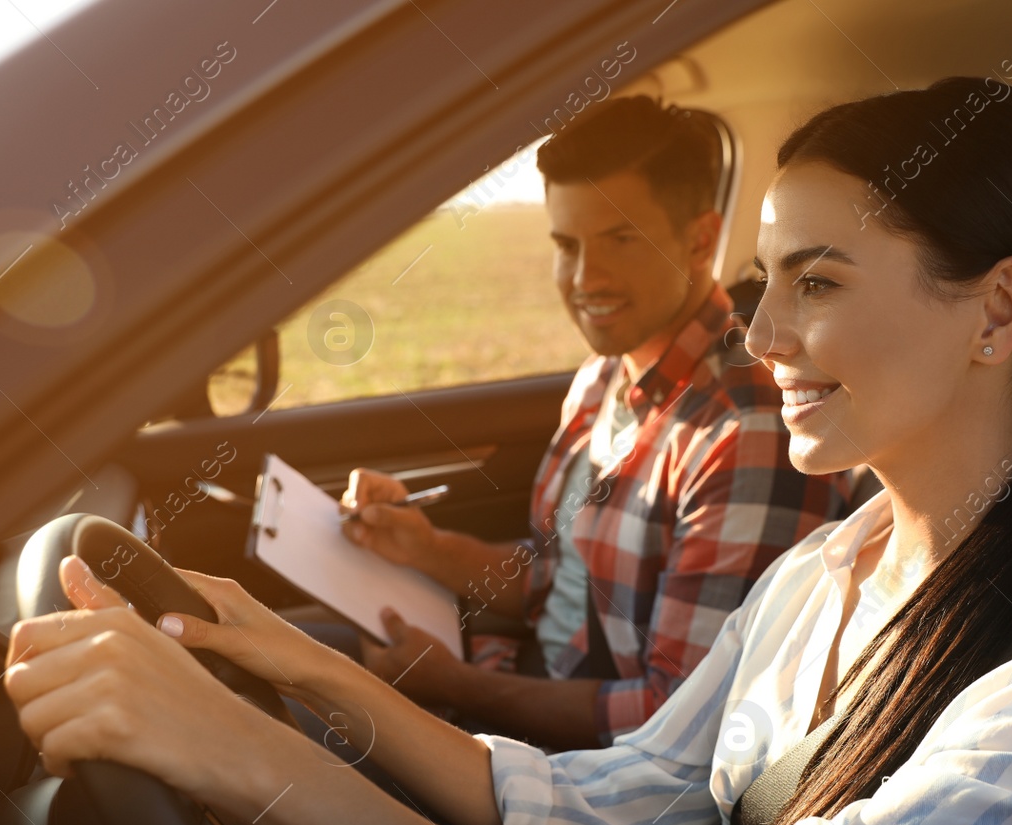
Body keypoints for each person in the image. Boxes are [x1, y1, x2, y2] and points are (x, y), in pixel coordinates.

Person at [4, 79, 1012, 825]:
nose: (763, 331)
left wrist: (242, 756)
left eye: (817, 283)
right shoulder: (828, 572)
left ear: (997, 311)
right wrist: (310, 675)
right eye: (765, 282)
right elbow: (608, 802)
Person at [335, 95, 841, 750]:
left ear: (700, 241)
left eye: (619, 239)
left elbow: (680, 719)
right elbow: (558, 582)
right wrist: (423, 548)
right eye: (566, 244)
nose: (584, 277)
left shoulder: (743, 431)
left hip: (587, 779)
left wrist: (454, 688)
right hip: (514, 687)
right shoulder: (607, 375)